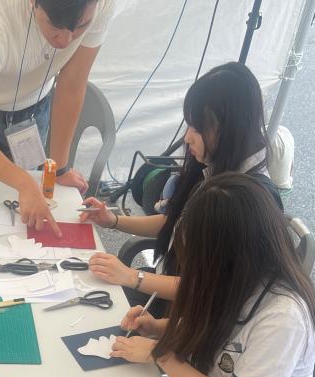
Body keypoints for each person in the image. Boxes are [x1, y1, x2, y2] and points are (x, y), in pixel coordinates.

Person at [109, 172, 315, 377]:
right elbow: (213, 328)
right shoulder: (238, 278)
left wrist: (161, 353)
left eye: (200, 261)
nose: (194, 273)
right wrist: (158, 328)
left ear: (230, 256)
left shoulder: (283, 319)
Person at [82, 61, 281, 310]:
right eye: (189, 125)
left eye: (197, 128)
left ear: (228, 128)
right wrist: (112, 220)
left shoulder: (245, 199)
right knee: (87, 284)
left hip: (188, 314)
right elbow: (174, 222)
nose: (187, 137)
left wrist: (132, 277)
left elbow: (206, 290)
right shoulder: (215, 167)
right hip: (168, 289)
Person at [0, 0, 115, 234]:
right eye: (56, 26)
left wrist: (59, 168)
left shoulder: (102, 4)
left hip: (33, 104)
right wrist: (25, 183)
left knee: (27, 212)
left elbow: (72, 84)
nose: (65, 41)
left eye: (80, 27)